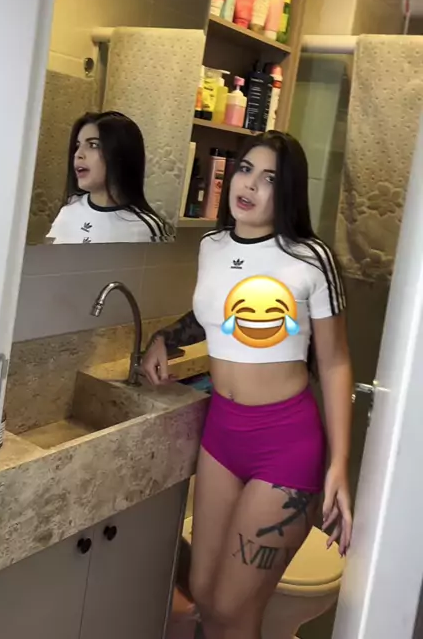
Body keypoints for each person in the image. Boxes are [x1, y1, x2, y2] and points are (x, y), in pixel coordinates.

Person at [142, 131, 353, 639]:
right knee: (206, 594)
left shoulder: (311, 257)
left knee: (233, 609)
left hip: (284, 443)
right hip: (222, 435)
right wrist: (164, 338)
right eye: (244, 169)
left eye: (270, 178)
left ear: (288, 192)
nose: (250, 185)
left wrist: (340, 463)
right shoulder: (212, 246)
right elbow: (212, 314)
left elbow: (335, 363)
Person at [47, 111, 173, 244]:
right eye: (77, 146)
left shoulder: (146, 228)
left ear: (121, 154)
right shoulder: (68, 211)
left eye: (93, 145)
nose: (78, 154)